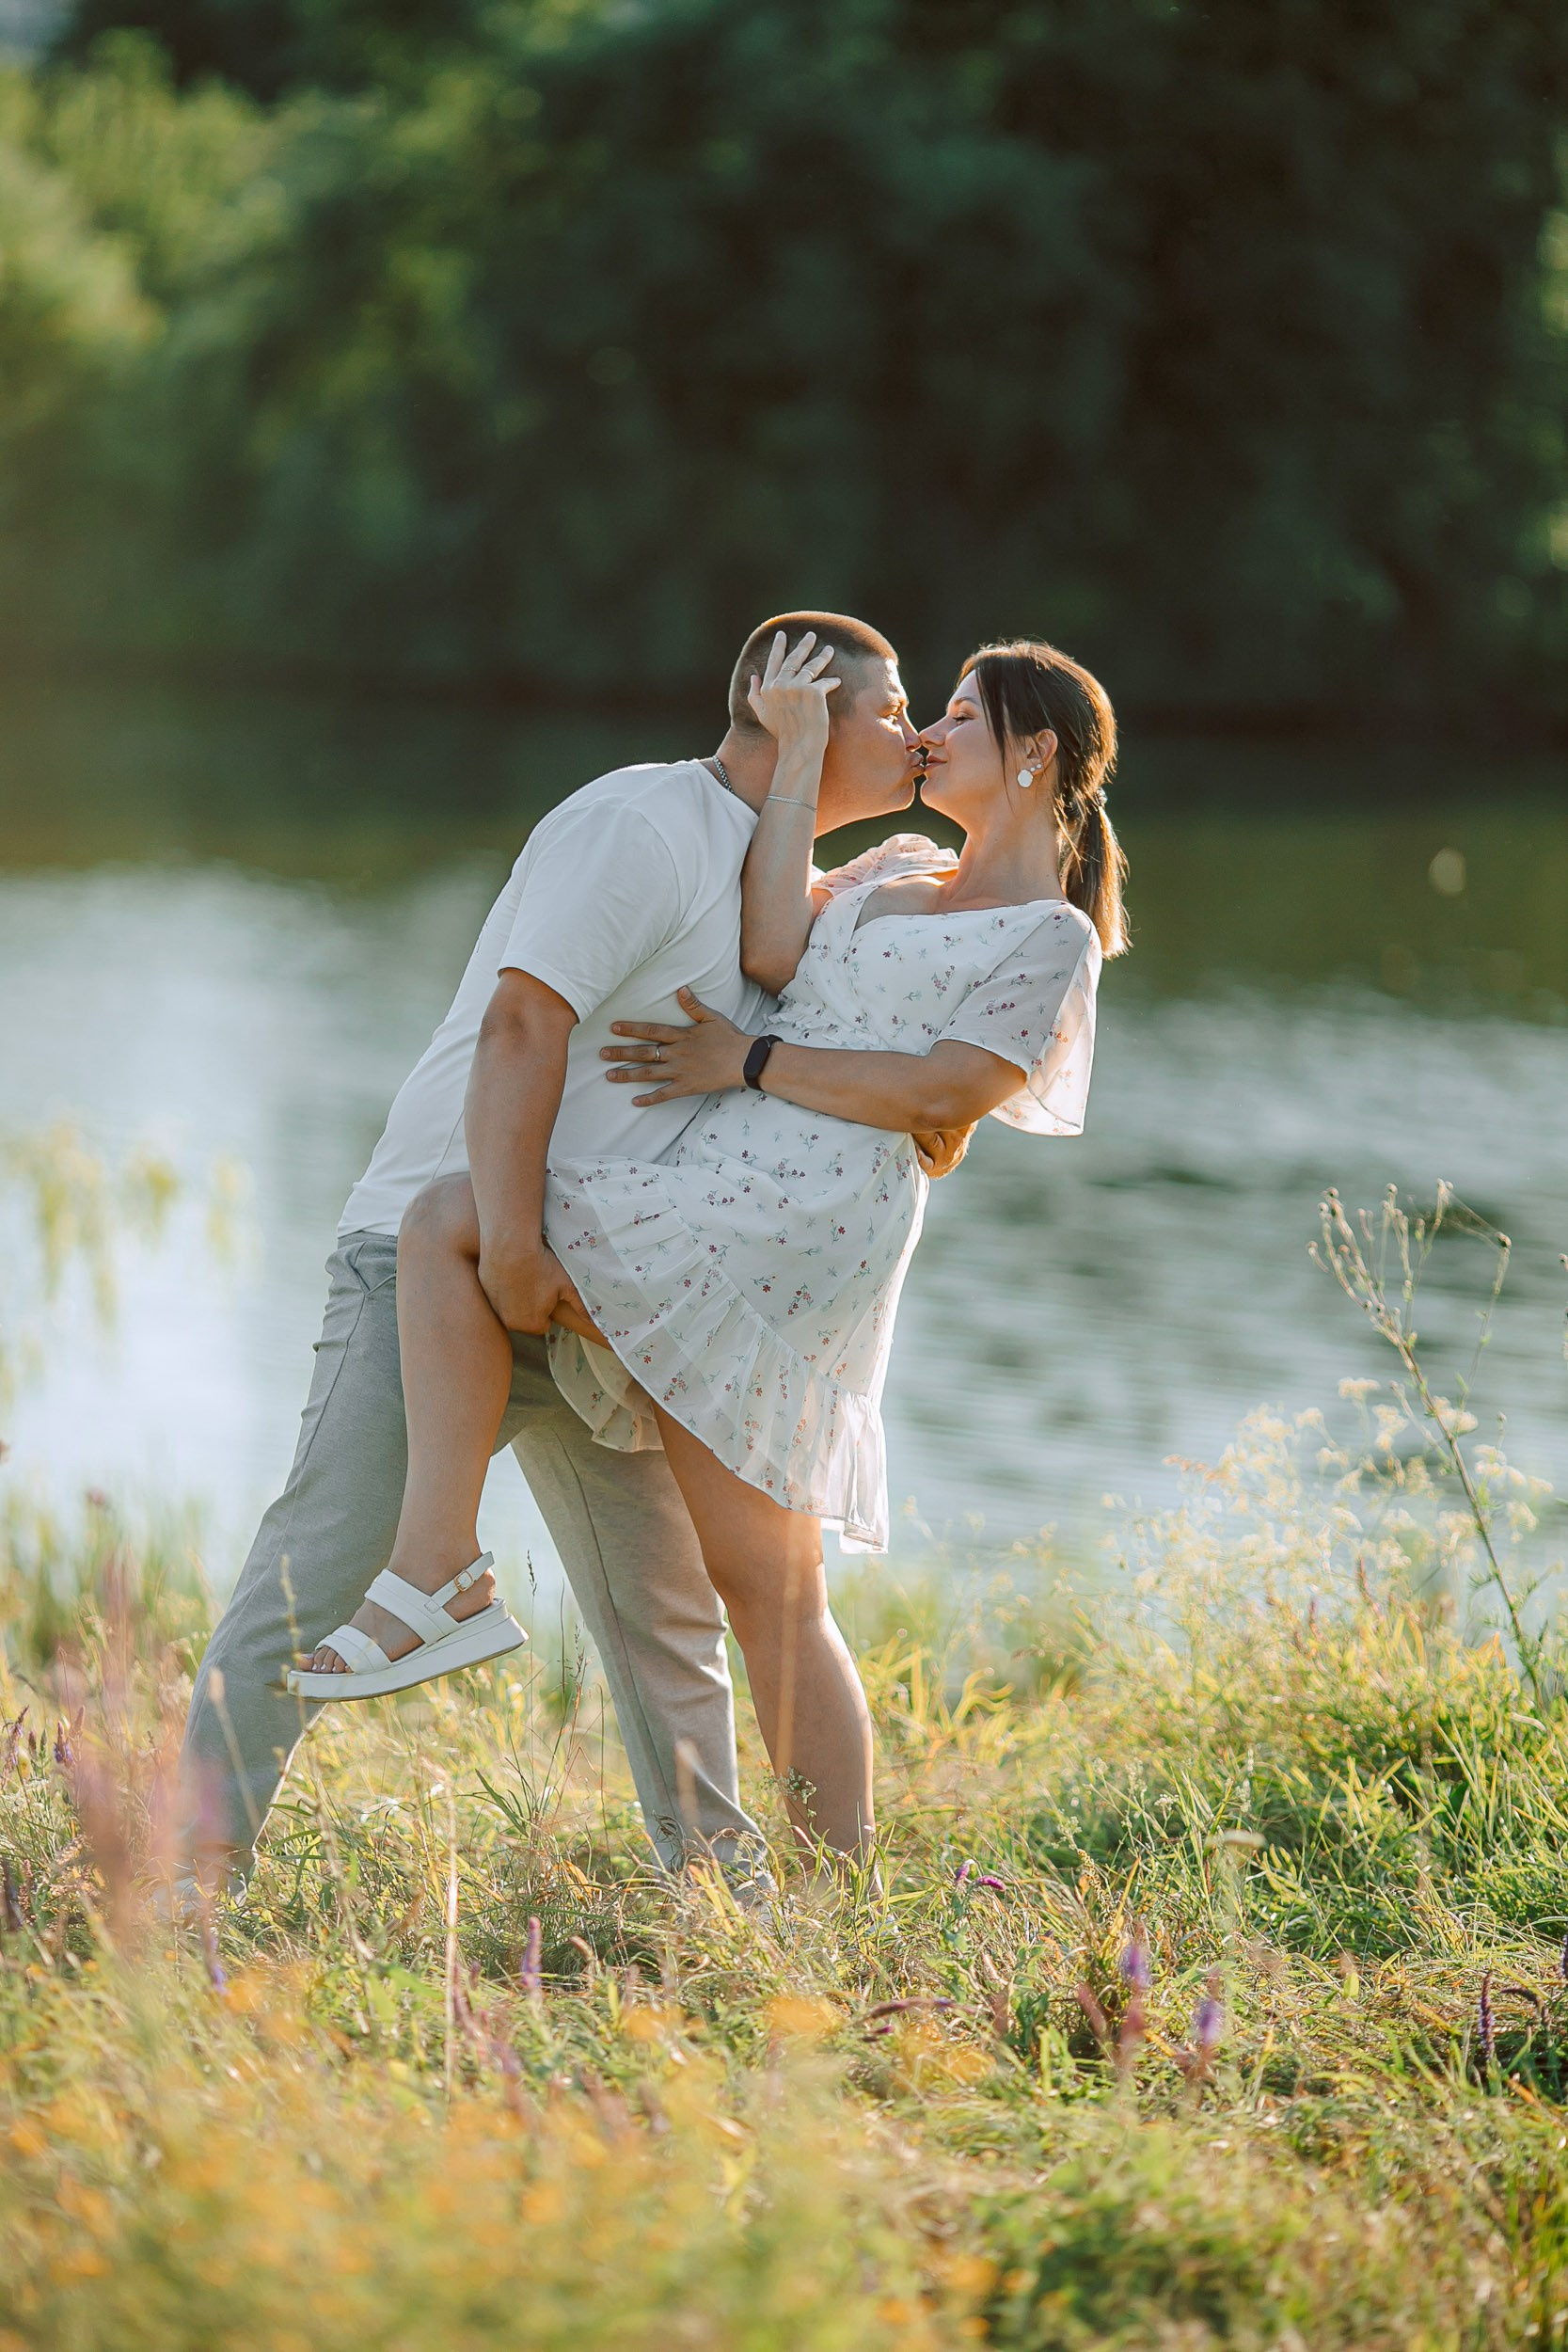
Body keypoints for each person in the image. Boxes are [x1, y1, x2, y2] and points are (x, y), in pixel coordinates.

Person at [296, 634, 1127, 1870]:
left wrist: (750, 1062)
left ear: (1036, 751)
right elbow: (772, 945)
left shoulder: (1051, 938)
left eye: (959, 714)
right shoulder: (900, 865)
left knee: (452, 1220)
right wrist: (799, 755)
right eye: (932, 710)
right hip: (721, 1185)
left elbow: (948, 1088)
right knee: (769, 1590)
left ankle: (441, 1570)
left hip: (806, 1223)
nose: (930, 734)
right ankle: (817, 1894)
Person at [177, 610, 946, 1899]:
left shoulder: (785, 888)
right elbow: (522, 1025)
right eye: (893, 708)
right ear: (797, 709)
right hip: (449, 1264)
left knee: (666, 1621)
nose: (916, 735)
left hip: (608, 1288)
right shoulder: (643, 823)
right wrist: (512, 1249)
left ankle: (721, 1904)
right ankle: (184, 1886)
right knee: (315, 1570)